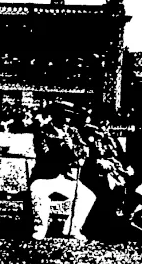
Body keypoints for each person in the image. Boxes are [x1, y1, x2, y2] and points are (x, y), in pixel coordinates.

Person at [28, 101, 97, 241]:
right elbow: (45, 155)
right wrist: (65, 148)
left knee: (87, 196)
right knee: (39, 193)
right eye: (63, 115)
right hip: (44, 176)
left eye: (69, 116)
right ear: (54, 116)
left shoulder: (73, 131)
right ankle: (40, 228)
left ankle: (73, 228)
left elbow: (83, 150)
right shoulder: (43, 132)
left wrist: (76, 151)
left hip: (65, 177)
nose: (66, 119)